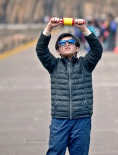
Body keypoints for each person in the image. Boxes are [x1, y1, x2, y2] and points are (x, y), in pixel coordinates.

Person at [36, 17, 103, 155]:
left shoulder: (85, 65)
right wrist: (49, 27)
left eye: (71, 42)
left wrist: (84, 29)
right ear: (58, 50)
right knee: (55, 152)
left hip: (82, 119)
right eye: (62, 43)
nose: (67, 44)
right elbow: (41, 50)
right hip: (60, 119)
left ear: (77, 47)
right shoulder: (53, 65)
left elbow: (97, 50)